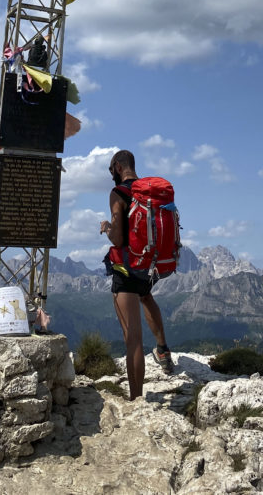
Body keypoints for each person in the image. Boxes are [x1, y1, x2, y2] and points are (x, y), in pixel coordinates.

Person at [99, 149, 175, 399]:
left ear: (119, 167)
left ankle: (136, 398)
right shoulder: (149, 194)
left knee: (133, 339)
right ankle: (162, 349)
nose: (112, 175)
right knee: (146, 296)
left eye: (112, 170)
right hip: (149, 265)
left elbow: (118, 237)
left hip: (127, 268)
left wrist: (107, 227)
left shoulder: (118, 193)